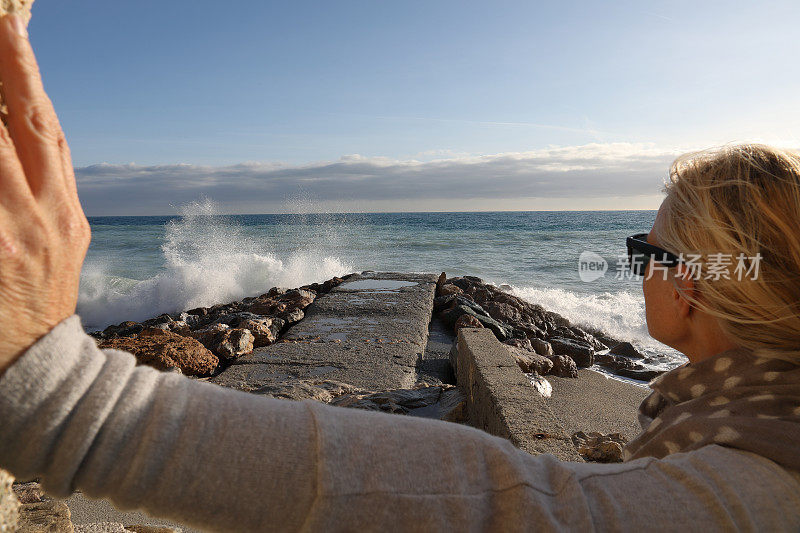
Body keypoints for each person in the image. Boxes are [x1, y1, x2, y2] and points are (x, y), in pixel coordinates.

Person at [0, 13, 799, 532]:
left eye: (645, 251)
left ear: (690, 280)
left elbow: (508, 508)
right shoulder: (747, 422)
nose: (639, 271)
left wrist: (66, 400)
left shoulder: (757, 487)